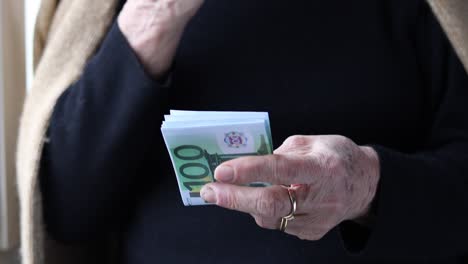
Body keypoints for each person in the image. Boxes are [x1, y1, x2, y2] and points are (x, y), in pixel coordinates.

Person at [17, 0, 468, 263]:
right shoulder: (103, 10)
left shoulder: (429, 11)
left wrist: (367, 185)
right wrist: (150, 23)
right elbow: (65, 215)